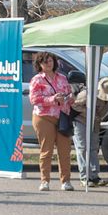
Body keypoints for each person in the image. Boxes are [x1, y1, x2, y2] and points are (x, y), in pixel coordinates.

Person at [28, 51, 74, 192]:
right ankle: (44, 181)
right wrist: (53, 99)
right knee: (46, 150)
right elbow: (34, 99)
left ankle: (66, 181)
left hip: (62, 116)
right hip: (43, 117)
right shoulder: (37, 80)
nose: (48, 63)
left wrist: (69, 98)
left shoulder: (62, 78)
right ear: (39, 64)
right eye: (45, 61)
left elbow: (69, 94)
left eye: (50, 61)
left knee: (65, 151)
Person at [72, 77, 108, 187]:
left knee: (94, 148)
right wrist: (89, 112)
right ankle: (84, 176)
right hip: (80, 121)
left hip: (94, 123)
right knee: (82, 148)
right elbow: (74, 104)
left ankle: (94, 176)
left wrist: (95, 117)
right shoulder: (87, 94)